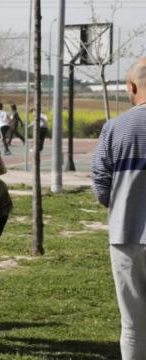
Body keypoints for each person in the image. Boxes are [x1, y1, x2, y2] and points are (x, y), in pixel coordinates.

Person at [91, 58, 146, 360]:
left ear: (132, 86)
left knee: (133, 324)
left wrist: (119, 202)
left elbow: (100, 182)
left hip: (125, 234)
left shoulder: (114, 127)